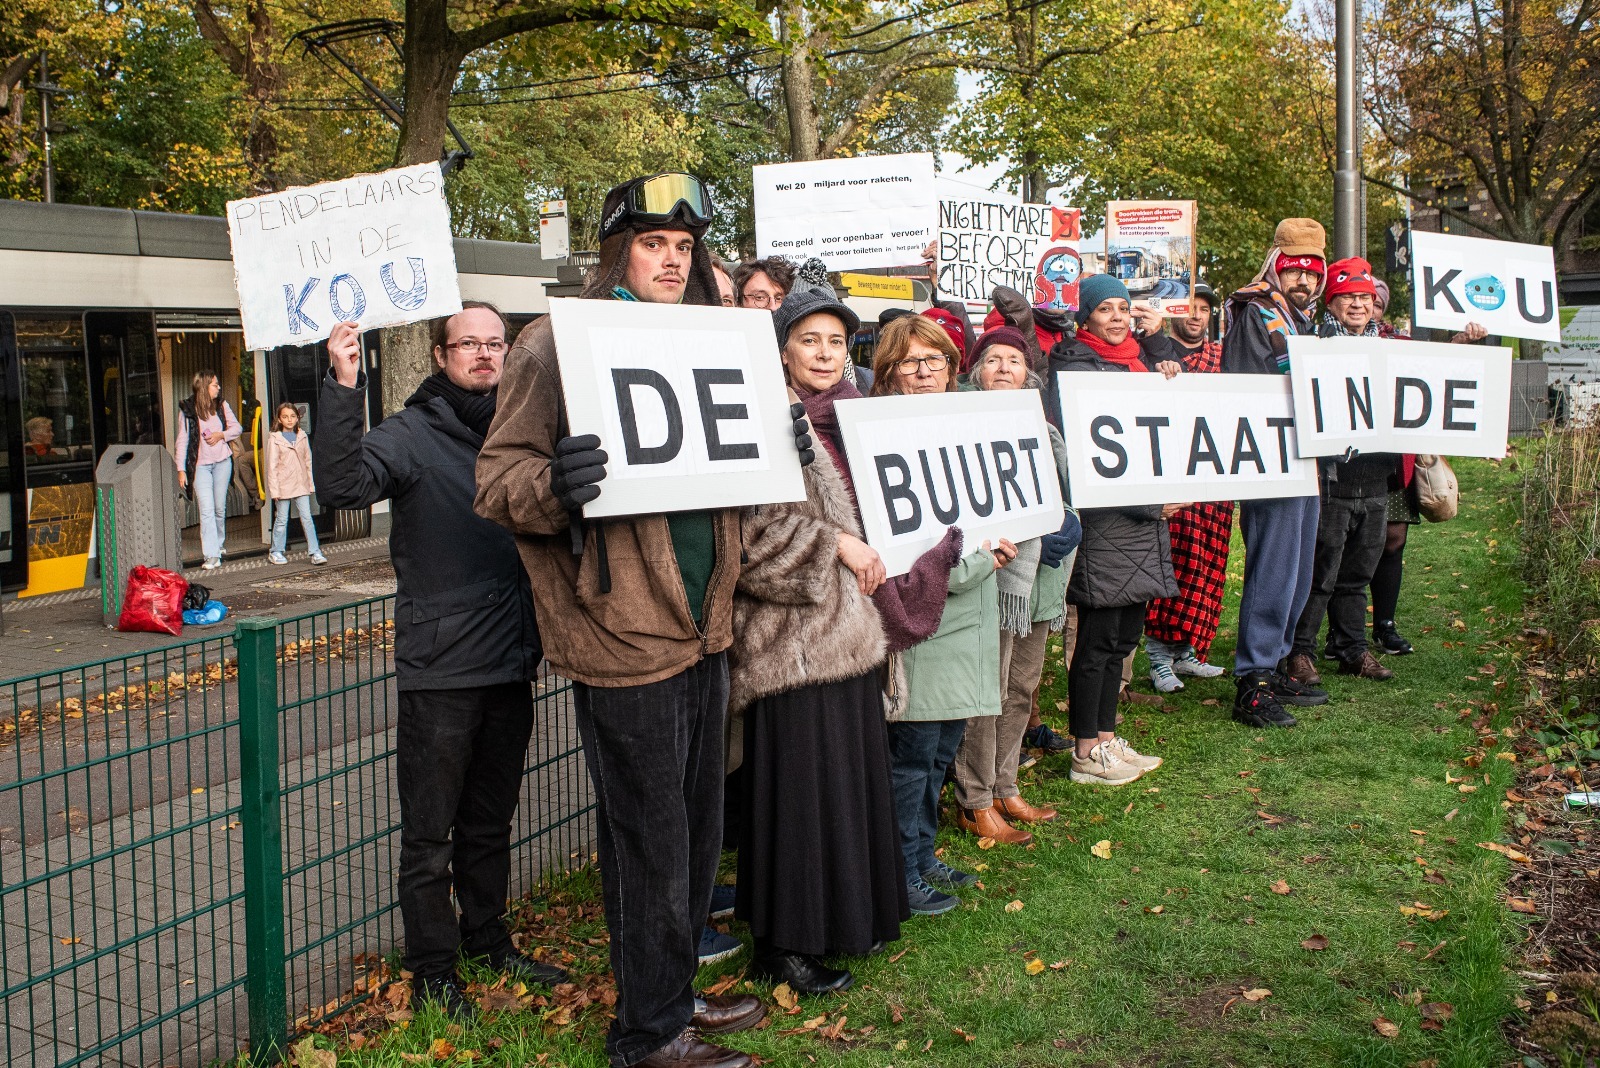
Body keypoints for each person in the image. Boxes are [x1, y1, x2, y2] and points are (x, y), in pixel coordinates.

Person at [476, 173, 801, 1068]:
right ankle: (649, 1034)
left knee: (694, 832)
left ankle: (673, 994)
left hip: (706, 626)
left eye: (685, 247)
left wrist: (787, 440)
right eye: (654, 243)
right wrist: (555, 484)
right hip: (621, 633)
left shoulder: (715, 341)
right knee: (650, 836)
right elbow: (497, 482)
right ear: (618, 250)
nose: (671, 260)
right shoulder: (555, 343)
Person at [316, 303, 551, 1019]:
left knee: (490, 822)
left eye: (494, 344)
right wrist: (342, 382)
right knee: (429, 838)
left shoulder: (523, 433)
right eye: (467, 344)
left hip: (511, 662)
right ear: (440, 355)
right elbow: (343, 487)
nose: (484, 355)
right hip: (442, 673)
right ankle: (434, 972)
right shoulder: (413, 434)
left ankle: (488, 939)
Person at [729, 272, 958, 996]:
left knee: (848, 787)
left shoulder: (865, 418)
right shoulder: (759, 415)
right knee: (799, 795)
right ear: (783, 350)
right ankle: (784, 946)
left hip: (857, 635)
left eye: (835, 340)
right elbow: (750, 535)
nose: (824, 353)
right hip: (791, 641)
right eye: (808, 340)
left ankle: (848, 921)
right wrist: (836, 545)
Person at [870, 314, 1018, 906]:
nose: (926, 371)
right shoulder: (878, 435)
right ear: (889, 373)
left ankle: (921, 854)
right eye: (911, 362)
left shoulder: (972, 423)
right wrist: (982, 564)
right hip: (925, 622)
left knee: (937, 754)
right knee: (910, 758)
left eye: (936, 360)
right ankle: (900, 871)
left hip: (970, 621)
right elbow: (906, 555)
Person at [1046, 274, 1183, 785]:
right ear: (1085, 318)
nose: (1119, 317)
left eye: (1124, 308)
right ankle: (1086, 749)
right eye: (1106, 309)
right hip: (1108, 520)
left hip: (1144, 520)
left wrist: (1161, 350)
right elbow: (1088, 455)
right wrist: (1152, 502)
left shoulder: (1140, 361)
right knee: (1099, 639)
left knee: (1125, 635)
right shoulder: (1074, 364)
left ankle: (1106, 737)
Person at [952, 327, 1081, 841]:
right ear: (975, 372)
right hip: (996, 578)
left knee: (1020, 686)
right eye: (992, 359)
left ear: (1029, 374)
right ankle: (975, 798)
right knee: (988, 690)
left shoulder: (1045, 430)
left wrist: (1066, 517)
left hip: (1041, 580)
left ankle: (1006, 786)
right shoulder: (958, 421)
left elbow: (1065, 491)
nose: (1004, 367)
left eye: (1014, 360)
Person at [1219, 219, 1331, 728]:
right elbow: (1246, 388)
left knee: (1299, 569)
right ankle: (1254, 680)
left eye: (1312, 270)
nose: (1303, 280)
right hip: (1273, 460)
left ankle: (1279, 660)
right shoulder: (1256, 315)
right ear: (1275, 266)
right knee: (1275, 566)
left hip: (1307, 460)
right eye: (1294, 269)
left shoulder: (1303, 319)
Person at [1287, 257, 1398, 684]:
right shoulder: (1313, 346)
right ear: (1330, 303)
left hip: (1375, 480)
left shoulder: (1390, 351)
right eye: (1347, 297)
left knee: (1358, 573)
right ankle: (1300, 651)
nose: (1357, 305)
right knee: (1321, 570)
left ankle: (1353, 649)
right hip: (1333, 481)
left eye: (1365, 298)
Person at [1366, 278, 1488, 657]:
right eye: (1360, 299)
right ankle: (1343, 631)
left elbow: (1433, 364)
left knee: (1393, 538)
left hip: (1394, 459)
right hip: (1353, 458)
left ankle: (1385, 624)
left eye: (1376, 303)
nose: (1368, 308)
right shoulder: (1333, 340)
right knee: (1350, 545)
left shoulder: (1400, 342)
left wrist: (1462, 342)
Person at [1143, 284, 1233, 692]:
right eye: (1189, 308)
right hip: (1173, 475)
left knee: (1206, 565)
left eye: (1203, 310)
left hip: (1213, 478)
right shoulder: (1157, 354)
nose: (1197, 316)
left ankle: (1187, 651)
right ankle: (1158, 655)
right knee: (1174, 564)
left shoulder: (1222, 355)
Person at [174, 371, 242, 570]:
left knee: (219, 508)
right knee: (206, 509)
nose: (218, 388)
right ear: (204, 387)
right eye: (215, 385)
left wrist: (221, 435)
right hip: (200, 466)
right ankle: (211, 555)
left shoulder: (221, 405)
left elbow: (237, 428)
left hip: (222, 462)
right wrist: (181, 469)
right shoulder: (187, 410)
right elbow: (182, 440)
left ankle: (218, 544)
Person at [265, 403, 327, 566]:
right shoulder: (275, 439)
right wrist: (274, 490)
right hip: (283, 485)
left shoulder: (302, 436)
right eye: (285, 417)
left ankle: (315, 551)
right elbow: (272, 467)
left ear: (297, 418)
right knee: (282, 518)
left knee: (307, 518)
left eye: (292, 416)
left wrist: (311, 484)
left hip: (301, 483)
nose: (289, 420)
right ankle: (276, 551)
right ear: (279, 419)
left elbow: (308, 461)